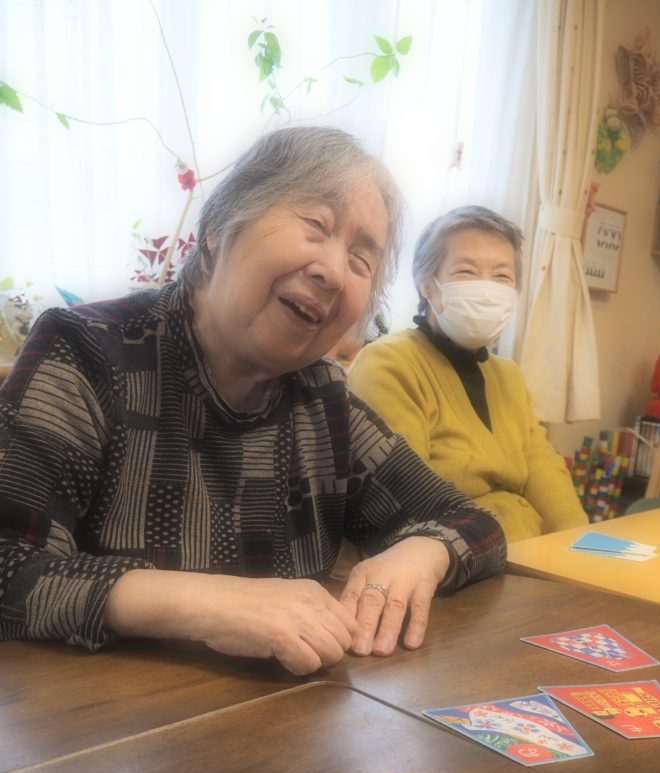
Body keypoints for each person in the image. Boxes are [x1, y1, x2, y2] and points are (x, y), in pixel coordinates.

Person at [0, 128, 505, 675]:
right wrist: (203, 604)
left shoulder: (321, 396)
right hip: (101, 716)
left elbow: (472, 523)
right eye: (316, 226)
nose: (334, 272)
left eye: (361, 260)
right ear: (219, 228)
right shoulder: (85, 353)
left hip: (289, 714)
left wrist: (420, 554)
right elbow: (8, 565)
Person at [347, 205, 587, 543]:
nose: (486, 288)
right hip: (455, 556)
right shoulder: (388, 364)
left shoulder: (508, 376)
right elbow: (406, 500)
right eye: (466, 271)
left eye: (502, 276)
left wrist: (580, 543)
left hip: (531, 553)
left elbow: (543, 468)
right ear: (426, 285)